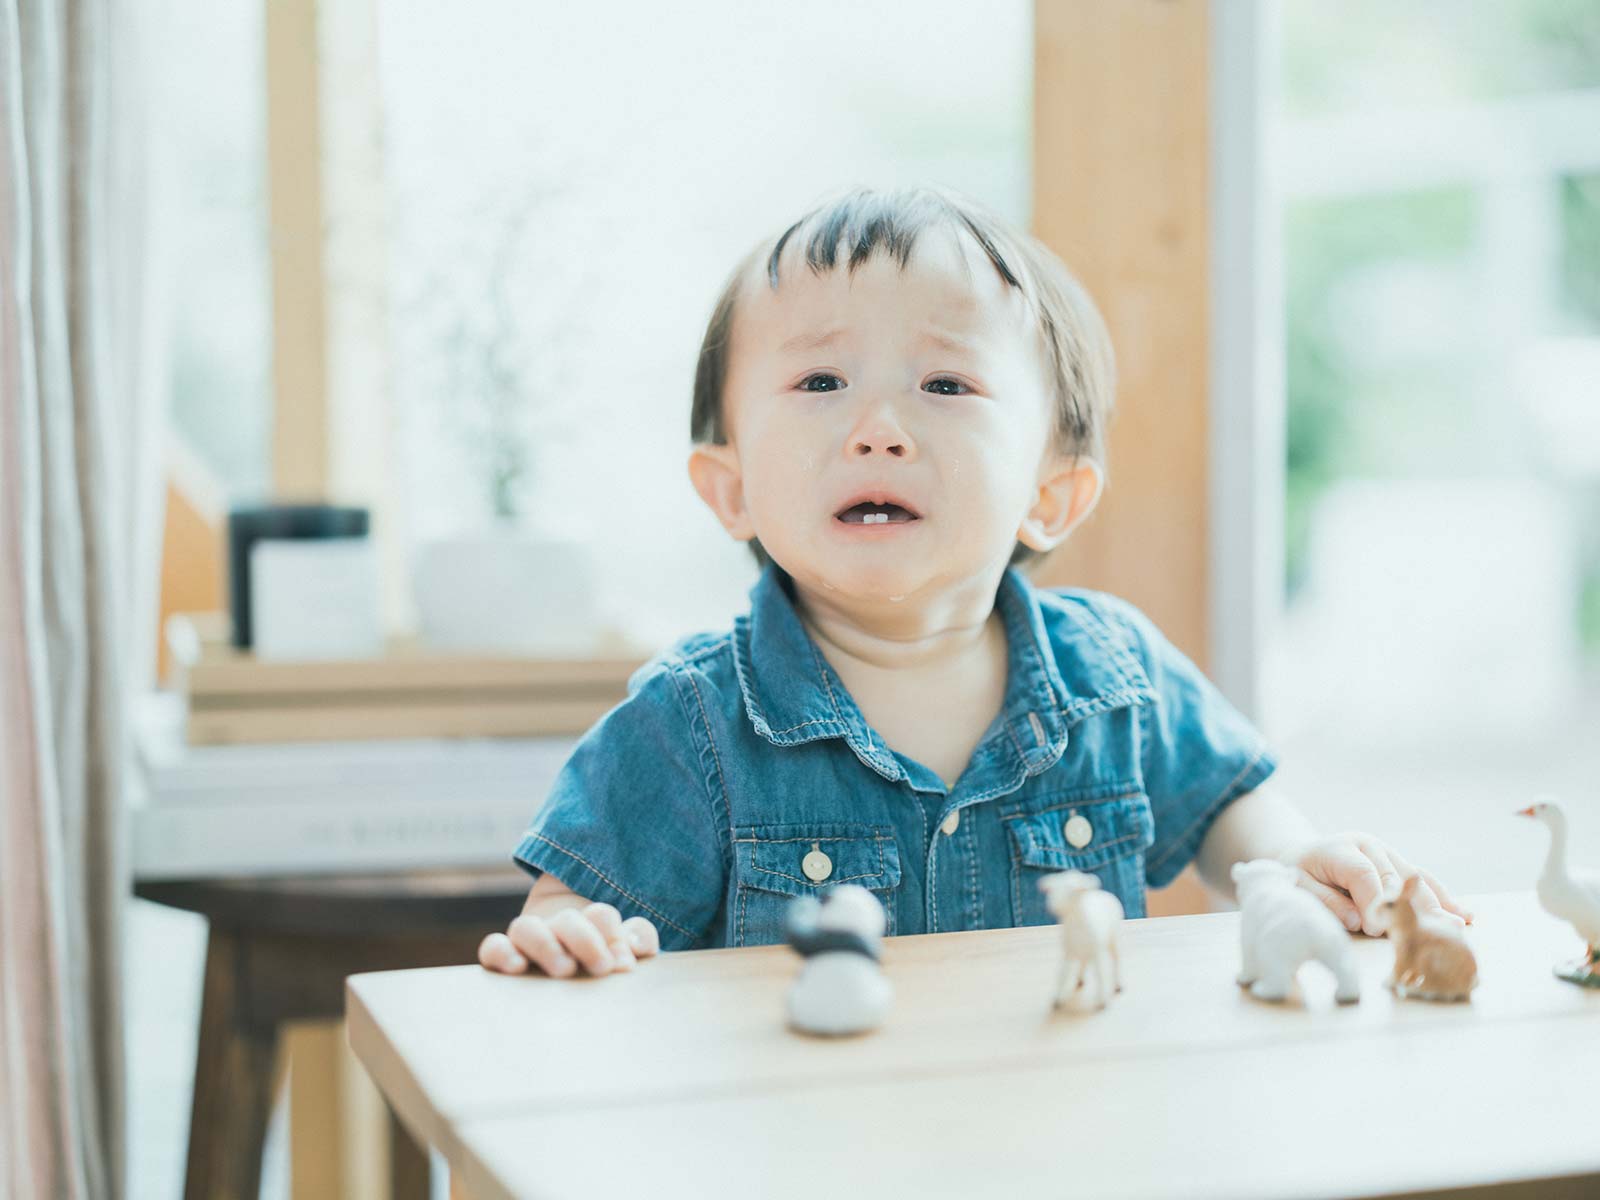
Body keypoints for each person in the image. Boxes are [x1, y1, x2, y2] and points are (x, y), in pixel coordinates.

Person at [478, 187, 1470, 979]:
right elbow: (573, 909)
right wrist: (568, 936)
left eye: (944, 385)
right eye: (821, 383)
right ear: (730, 489)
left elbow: (1235, 825)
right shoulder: (690, 719)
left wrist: (1302, 865)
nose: (879, 426)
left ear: (1050, 495)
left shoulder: (1111, 675)